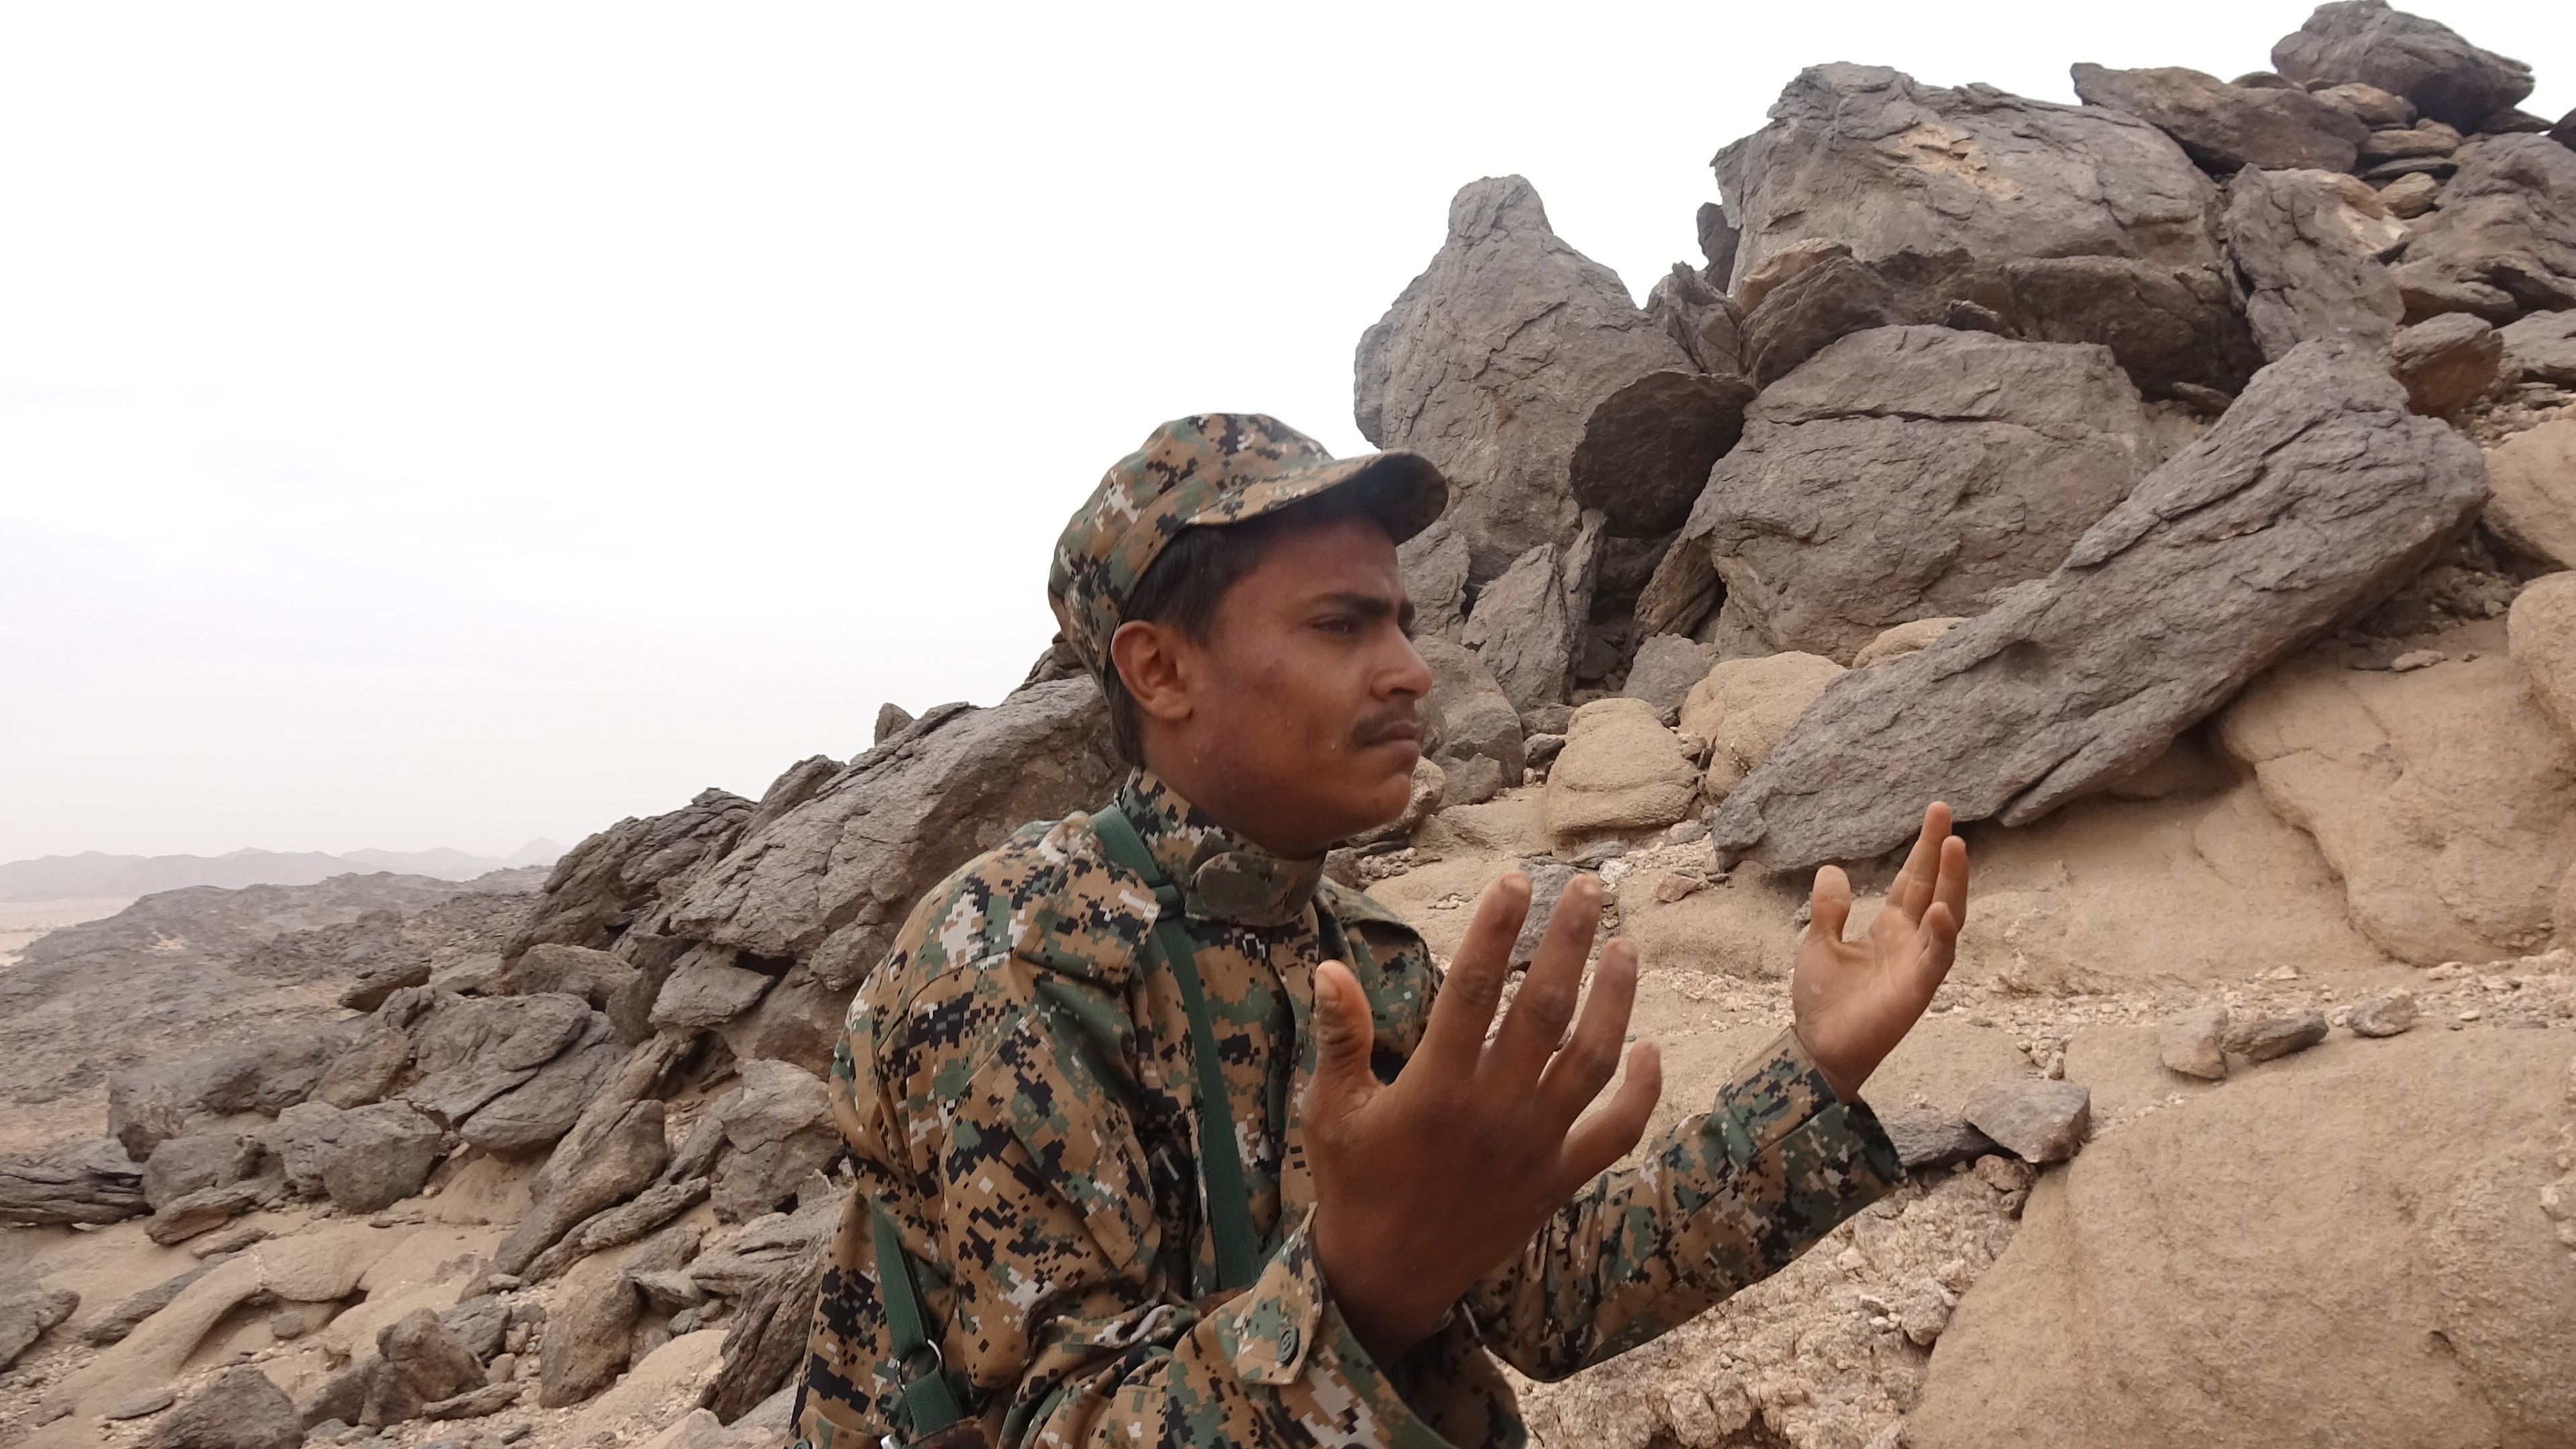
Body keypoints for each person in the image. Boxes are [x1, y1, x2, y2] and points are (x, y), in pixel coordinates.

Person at [792, 413, 1969, 1449]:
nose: (1410, 671)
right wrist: (1362, 1289)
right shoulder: (1007, 963)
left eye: (1402, 624)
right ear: (1160, 669)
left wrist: (1818, 1073)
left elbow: (1548, 1296)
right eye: (1342, 626)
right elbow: (1065, 1419)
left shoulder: (1363, 958)